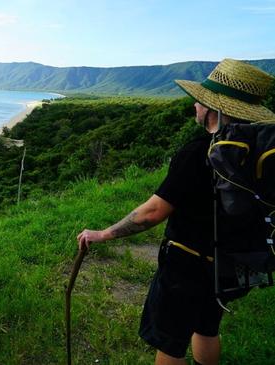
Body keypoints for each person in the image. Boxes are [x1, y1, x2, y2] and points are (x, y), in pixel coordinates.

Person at [76, 58, 275, 365]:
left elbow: (152, 212)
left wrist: (103, 234)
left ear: (214, 109)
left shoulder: (198, 152)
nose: (195, 106)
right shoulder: (261, 150)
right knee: (207, 327)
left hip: (187, 264)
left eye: (200, 101)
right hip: (231, 262)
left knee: (170, 343)